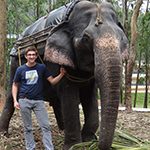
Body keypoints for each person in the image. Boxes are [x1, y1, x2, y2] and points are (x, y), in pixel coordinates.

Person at [12, 46, 66, 150]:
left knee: (45, 126)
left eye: (33, 55)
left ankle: (49, 148)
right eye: (29, 55)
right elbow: (15, 85)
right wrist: (15, 100)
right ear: (26, 56)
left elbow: (53, 81)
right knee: (27, 128)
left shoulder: (42, 68)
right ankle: (30, 147)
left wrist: (62, 74)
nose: (31, 57)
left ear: (36, 56)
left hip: (38, 101)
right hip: (24, 100)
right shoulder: (20, 69)